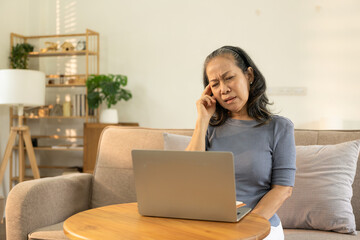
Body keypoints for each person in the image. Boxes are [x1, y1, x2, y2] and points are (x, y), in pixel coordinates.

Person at [186, 46, 296, 240]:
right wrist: (202, 121)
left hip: (259, 226)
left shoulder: (279, 127)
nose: (224, 89)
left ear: (249, 75)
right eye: (215, 84)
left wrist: (248, 227)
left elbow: (283, 189)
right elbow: (187, 177)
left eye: (229, 78)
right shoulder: (209, 127)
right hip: (212, 227)